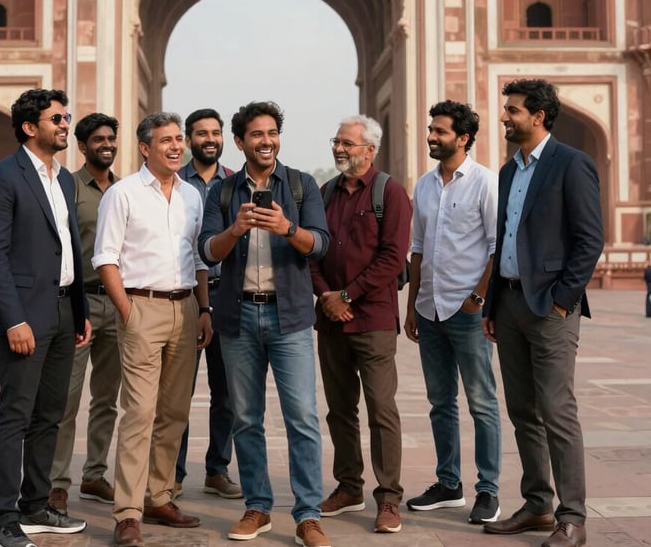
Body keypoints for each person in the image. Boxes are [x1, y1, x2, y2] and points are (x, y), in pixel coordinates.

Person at [198, 101, 332, 547]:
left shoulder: (299, 185)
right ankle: (257, 506)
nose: (266, 141)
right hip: (238, 317)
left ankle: (308, 514)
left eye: (272, 132)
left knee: (303, 418)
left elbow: (320, 245)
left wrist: (286, 228)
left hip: (289, 315)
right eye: (256, 134)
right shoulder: (222, 192)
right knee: (246, 418)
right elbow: (207, 251)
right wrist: (235, 229)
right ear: (240, 142)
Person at [482, 79, 604, 547]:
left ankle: (572, 517)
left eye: (512, 110)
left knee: (557, 411)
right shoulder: (509, 171)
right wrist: (493, 304)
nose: (505, 116)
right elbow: (504, 241)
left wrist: (562, 298)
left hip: (550, 306)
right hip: (510, 303)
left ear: (538, 115)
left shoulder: (571, 164)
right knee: (522, 410)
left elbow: (590, 239)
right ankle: (537, 504)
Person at [0, 88, 91, 547]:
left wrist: (79, 311)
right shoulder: (2, 176)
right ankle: (3, 520)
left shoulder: (63, 180)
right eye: (57, 119)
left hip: (64, 310)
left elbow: (68, 248)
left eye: (67, 117)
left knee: (51, 414)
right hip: (24, 315)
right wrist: (13, 319)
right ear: (30, 127)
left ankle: (36, 507)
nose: (66, 125)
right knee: (15, 415)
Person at [93, 112, 213, 547]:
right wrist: (128, 313)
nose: (177, 147)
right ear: (146, 148)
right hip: (141, 307)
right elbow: (106, 257)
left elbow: (199, 258)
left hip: (184, 309)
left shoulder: (191, 197)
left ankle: (160, 495)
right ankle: (128, 511)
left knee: (174, 412)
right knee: (140, 413)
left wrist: (204, 308)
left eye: (179, 139)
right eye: (167, 141)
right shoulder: (123, 194)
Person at [310, 115, 411, 534]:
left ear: (370, 150)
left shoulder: (390, 192)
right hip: (331, 320)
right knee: (339, 410)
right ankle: (348, 486)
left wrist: (347, 295)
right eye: (337, 141)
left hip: (372, 320)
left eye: (348, 144)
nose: (340, 149)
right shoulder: (325, 193)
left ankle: (388, 498)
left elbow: (392, 257)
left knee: (381, 409)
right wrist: (326, 296)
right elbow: (310, 249)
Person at [403, 100, 502, 524]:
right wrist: (411, 307)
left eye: (440, 131)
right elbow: (418, 250)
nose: (431, 136)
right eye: (430, 129)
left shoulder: (484, 183)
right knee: (440, 402)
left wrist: (479, 299)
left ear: (462, 138)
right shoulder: (425, 185)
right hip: (430, 309)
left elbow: (499, 249)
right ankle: (448, 484)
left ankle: (488, 490)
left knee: (481, 402)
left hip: (467, 311)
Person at [49, 113, 122, 515]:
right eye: (98, 139)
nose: (106, 144)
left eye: (111, 138)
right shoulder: (68, 187)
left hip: (118, 302)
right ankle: (57, 482)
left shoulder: (126, 189)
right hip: (80, 304)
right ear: (82, 146)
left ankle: (94, 474)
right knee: (66, 398)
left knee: (107, 399)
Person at [175, 108, 241, 499]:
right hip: (185, 298)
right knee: (179, 391)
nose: (210, 139)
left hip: (225, 295)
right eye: (202, 133)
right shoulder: (173, 182)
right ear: (188, 140)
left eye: (216, 133)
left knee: (226, 392)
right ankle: (175, 471)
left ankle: (217, 469)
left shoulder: (233, 183)